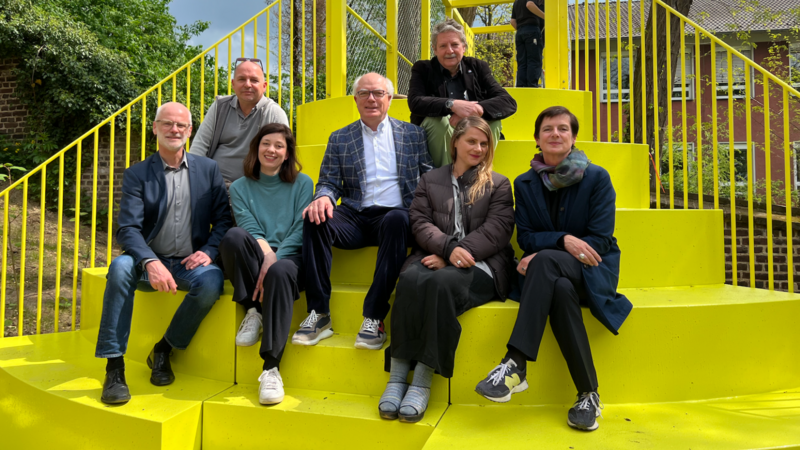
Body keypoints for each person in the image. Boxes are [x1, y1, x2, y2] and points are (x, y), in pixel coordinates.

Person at [473, 106, 632, 431]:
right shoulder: (525, 183)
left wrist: (552, 248)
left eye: (563, 129)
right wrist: (563, 241)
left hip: (592, 271)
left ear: (573, 138)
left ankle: (515, 361)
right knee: (558, 288)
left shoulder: (597, 178)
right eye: (548, 129)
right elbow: (527, 237)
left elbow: (599, 241)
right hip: (553, 277)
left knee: (544, 261)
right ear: (537, 139)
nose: (555, 134)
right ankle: (588, 394)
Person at [378, 117, 516, 423]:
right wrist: (447, 249)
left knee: (441, 284)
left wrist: (457, 253)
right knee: (410, 278)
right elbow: (419, 221)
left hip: (484, 265)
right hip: (435, 255)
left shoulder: (499, 183)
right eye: (472, 141)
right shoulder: (430, 180)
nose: (479, 148)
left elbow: (498, 230)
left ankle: (422, 381)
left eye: (484, 143)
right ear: (455, 142)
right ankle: (398, 376)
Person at [95, 102, 231, 405]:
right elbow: (127, 229)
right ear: (155, 128)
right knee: (119, 267)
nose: (174, 130)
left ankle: (164, 349)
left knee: (211, 282)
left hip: (188, 261)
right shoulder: (137, 174)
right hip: (147, 261)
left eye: (181, 125)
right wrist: (150, 261)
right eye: (167, 124)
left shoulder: (208, 170)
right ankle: (114, 367)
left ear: (190, 131)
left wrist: (209, 251)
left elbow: (223, 220)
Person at [299, 72, 433, 351]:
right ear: (356, 99)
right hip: (354, 216)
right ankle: (319, 313)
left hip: (395, 217)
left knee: (397, 218)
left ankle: (374, 317)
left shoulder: (413, 134)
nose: (371, 99)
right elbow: (328, 181)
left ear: (389, 99)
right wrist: (323, 197)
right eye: (364, 93)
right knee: (314, 219)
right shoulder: (340, 138)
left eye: (378, 93)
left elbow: (428, 176)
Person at [218, 123, 313, 405]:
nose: (271, 150)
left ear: (287, 154)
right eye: (266, 144)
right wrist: (267, 256)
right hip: (258, 252)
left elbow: (299, 228)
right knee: (233, 237)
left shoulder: (303, 183)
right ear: (256, 148)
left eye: (279, 146)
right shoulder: (239, 187)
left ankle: (271, 367)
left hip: (292, 257)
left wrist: (276, 257)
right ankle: (253, 310)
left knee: (281, 271)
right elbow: (248, 227)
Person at [407, 18, 517, 168]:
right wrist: (452, 105)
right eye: (443, 46)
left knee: (495, 122)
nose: (449, 50)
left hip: (471, 130)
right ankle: (445, 179)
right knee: (439, 123)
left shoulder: (478, 67)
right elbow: (415, 102)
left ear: (463, 47)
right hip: (440, 134)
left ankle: (477, 175)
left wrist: (475, 110)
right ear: (435, 49)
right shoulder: (423, 69)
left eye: (454, 45)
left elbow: (508, 102)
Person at [190, 58, 289, 185]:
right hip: (212, 184)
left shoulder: (274, 113)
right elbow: (199, 146)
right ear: (233, 84)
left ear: (264, 86)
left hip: (252, 189)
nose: (247, 84)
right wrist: (195, 179)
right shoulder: (219, 107)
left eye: (254, 80)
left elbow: (281, 157)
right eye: (242, 79)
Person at [510, 0, 545, 87]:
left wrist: (522, 30)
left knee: (522, 62)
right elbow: (529, 4)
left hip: (520, 33)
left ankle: (521, 86)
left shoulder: (516, 2)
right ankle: (532, 86)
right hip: (532, 30)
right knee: (533, 59)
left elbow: (512, 22)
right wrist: (546, 17)